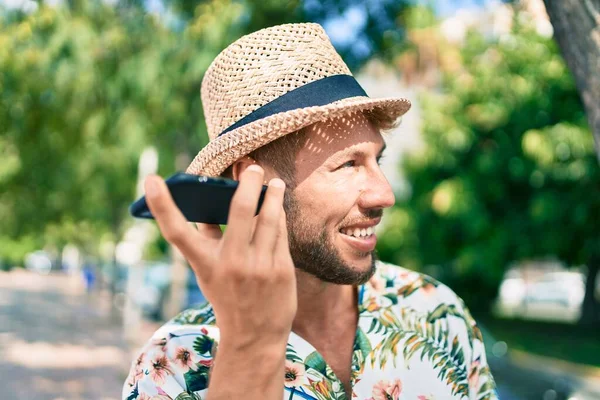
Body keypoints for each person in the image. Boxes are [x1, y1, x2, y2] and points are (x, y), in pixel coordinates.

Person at [123, 23, 498, 400]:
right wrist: (250, 346)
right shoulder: (170, 365)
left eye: (377, 159)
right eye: (349, 164)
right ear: (251, 180)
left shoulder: (436, 311)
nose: (384, 194)